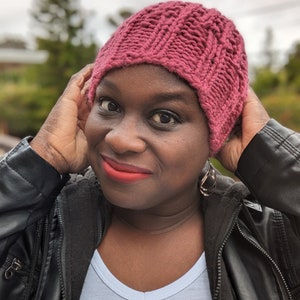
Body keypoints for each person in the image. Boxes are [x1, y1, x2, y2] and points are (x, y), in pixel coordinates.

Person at [0, 1, 299, 299]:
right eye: (109, 105)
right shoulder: (38, 231)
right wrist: (44, 158)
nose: (120, 139)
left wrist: (267, 154)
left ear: (218, 132)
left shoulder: (272, 241)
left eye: (164, 117)